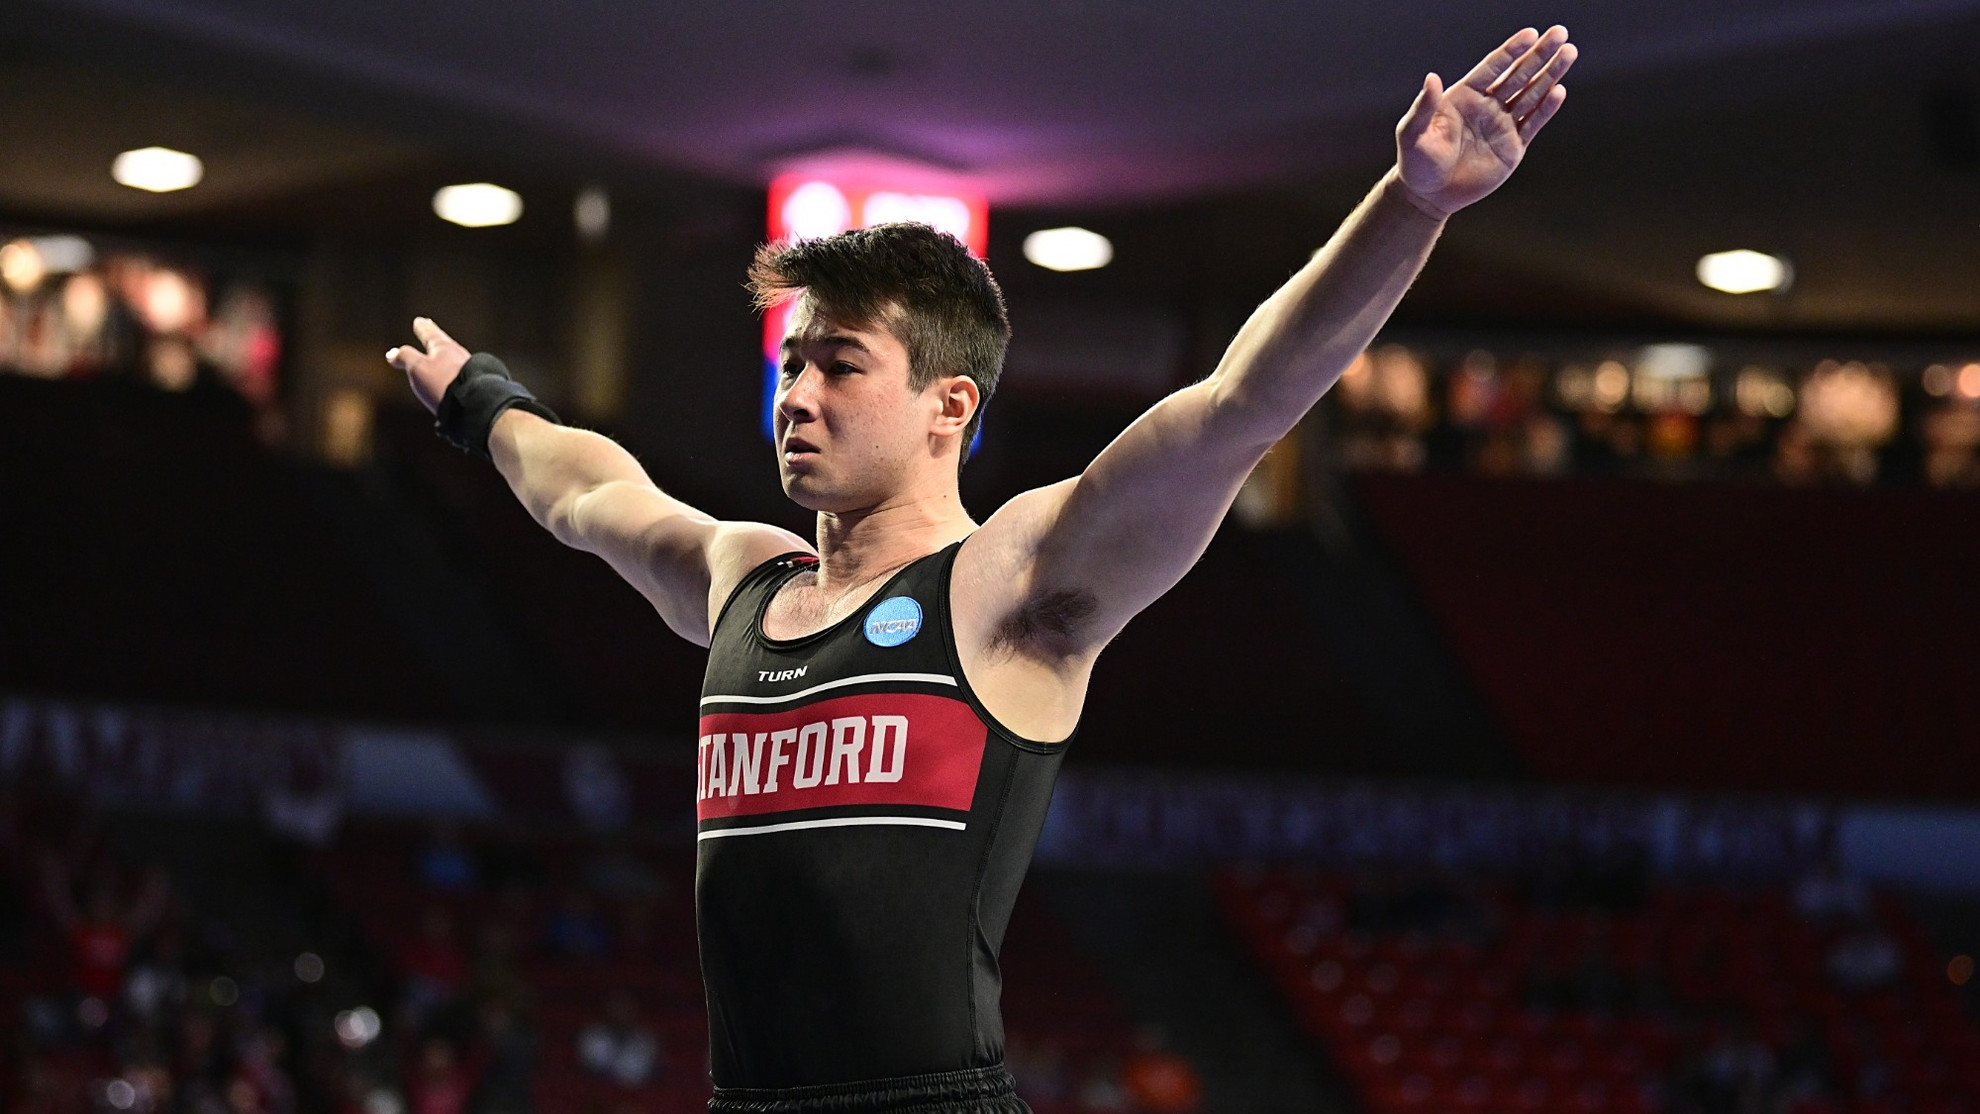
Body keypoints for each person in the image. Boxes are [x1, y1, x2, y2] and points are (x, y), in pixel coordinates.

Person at [386, 25, 1575, 1114]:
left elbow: (1239, 405)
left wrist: (1411, 205)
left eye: (840, 365)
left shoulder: (1010, 586)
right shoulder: (743, 578)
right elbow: (589, 492)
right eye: (793, 362)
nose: (796, 394)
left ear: (949, 402)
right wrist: (484, 400)